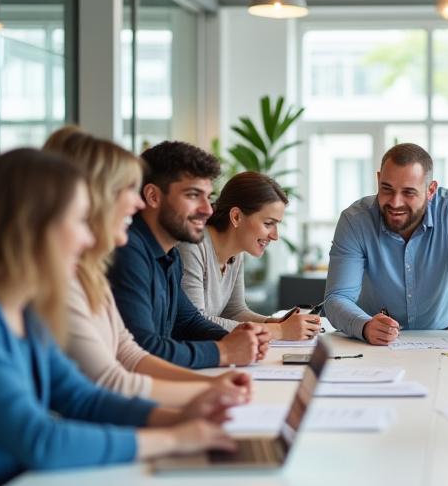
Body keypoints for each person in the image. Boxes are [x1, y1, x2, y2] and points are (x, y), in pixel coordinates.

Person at [0, 149, 243, 486]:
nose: (88, 239)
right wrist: (174, 439)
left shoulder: (25, 310)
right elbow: (40, 440)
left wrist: (177, 417)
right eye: (78, 222)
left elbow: (82, 399)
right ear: (33, 227)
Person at [45, 127, 254, 407]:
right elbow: (114, 378)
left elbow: (130, 353)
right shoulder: (121, 255)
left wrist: (217, 377)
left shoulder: (89, 274)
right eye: (125, 190)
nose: (136, 201)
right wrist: (222, 358)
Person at [325, 143, 448, 345]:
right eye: (387, 189)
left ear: (430, 190)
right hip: (374, 335)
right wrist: (364, 326)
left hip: (446, 329)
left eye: (408, 192)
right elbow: (338, 297)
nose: (395, 202)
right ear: (378, 179)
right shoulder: (355, 221)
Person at [109, 141, 269, 369]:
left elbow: (188, 321)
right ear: (153, 196)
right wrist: (224, 351)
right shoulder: (128, 252)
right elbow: (144, 348)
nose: (208, 209)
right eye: (193, 195)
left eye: (208, 196)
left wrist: (237, 338)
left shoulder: (169, 254)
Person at [179, 171, 321, 340]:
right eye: (268, 224)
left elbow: (234, 311)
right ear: (236, 216)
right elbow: (196, 323)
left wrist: (275, 323)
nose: (275, 236)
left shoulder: (236, 252)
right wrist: (279, 331)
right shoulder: (192, 246)